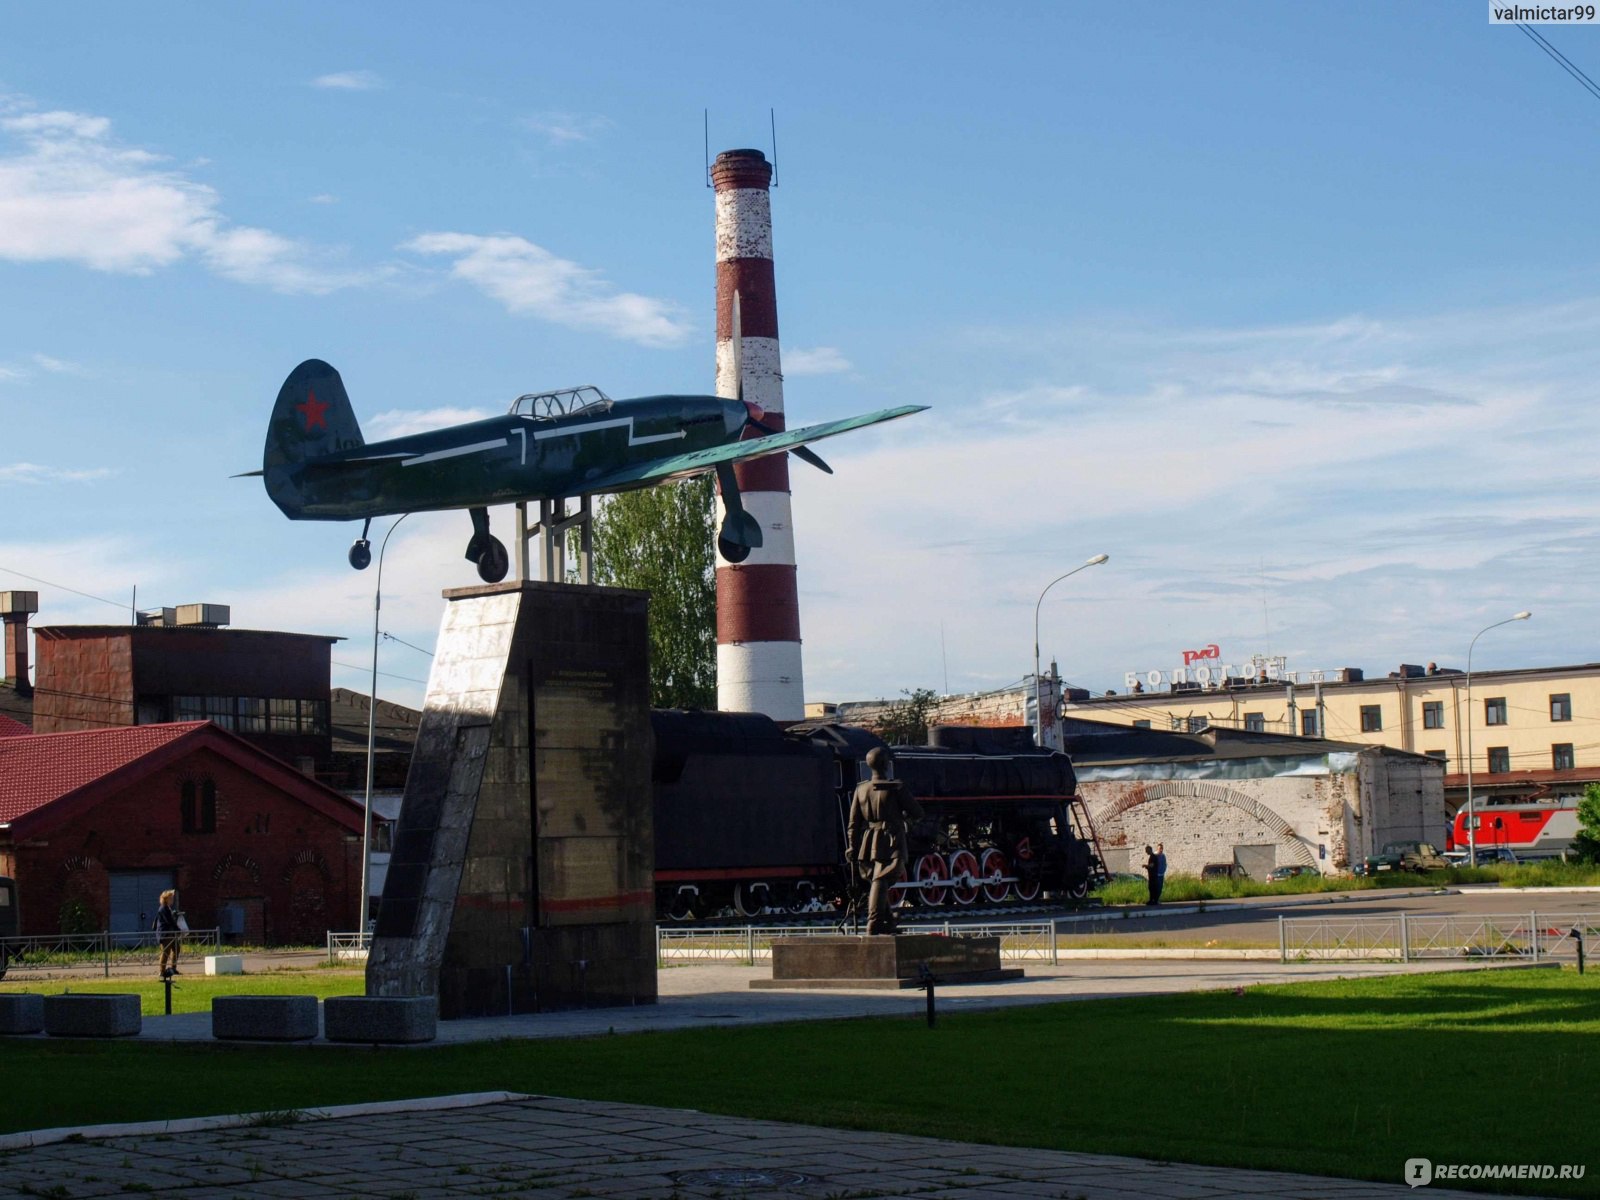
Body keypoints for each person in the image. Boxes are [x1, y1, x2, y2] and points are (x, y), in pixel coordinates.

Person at [846, 746, 925, 935]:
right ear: (886, 764)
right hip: (892, 839)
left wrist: (852, 846)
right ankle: (873, 922)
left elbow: (853, 823)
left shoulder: (861, 789)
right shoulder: (896, 788)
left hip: (869, 840)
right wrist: (904, 819)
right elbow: (918, 813)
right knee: (882, 878)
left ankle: (887, 920)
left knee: (878, 878)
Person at [155, 888, 182, 977]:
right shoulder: (163, 909)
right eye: (171, 898)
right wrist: (177, 929)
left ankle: (173, 968)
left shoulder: (168, 908)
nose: (172, 900)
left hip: (171, 933)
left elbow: (171, 920)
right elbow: (169, 921)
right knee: (165, 952)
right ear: (166, 899)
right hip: (165, 934)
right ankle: (162, 971)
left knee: (176, 948)